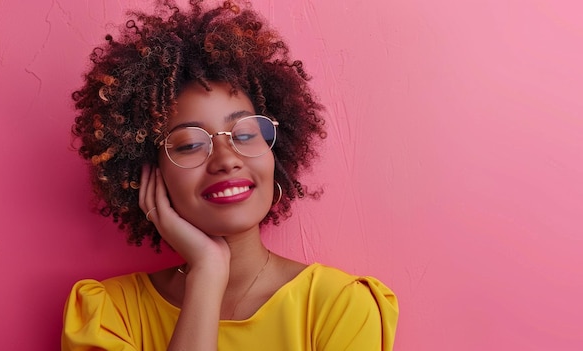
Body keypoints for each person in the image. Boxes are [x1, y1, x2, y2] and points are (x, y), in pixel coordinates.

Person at [61, 1, 398, 350]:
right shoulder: (110, 315)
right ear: (149, 171)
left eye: (246, 134)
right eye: (191, 143)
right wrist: (207, 272)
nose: (226, 159)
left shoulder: (339, 306)